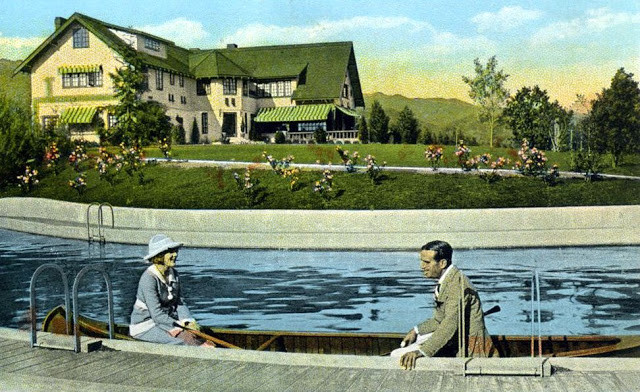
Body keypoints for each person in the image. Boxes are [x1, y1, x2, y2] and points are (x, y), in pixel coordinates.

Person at [392, 240, 497, 370]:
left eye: (427, 262)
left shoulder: (457, 284)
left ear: (442, 263)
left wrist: (422, 352)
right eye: (422, 261)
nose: (422, 266)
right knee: (415, 341)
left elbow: (449, 324)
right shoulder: (448, 280)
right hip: (457, 339)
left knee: (396, 356)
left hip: (472, 348)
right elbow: (439, 320)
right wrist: (416, 330)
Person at [129, 234, 214, 346]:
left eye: (175, 251)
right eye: (170, 252)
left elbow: (179, 303)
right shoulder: (148, 279)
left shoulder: (174, 274)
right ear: (159, 256)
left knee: (196, 336)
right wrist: (180, 326)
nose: (175, 255)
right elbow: (157, 314)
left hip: (166, 323)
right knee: (179, 343)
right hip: (145, 326)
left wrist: (188, 322)